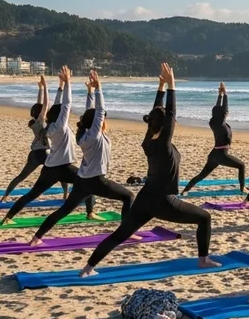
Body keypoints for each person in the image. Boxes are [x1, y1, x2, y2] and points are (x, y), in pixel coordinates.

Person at [80, 63, 217, 277]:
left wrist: (160, 88)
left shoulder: (149, 140)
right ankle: (204, 259)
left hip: (145, 199)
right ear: (165, 126)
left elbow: (159, 115)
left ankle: (88, 268)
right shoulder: (162, 143)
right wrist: (171, 85)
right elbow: (170, 113)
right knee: (205, 218)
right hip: (164, 201)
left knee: (120, 234)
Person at [29, 71, 133, 245]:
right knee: (129, 196)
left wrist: (90, 93)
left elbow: (91, 114)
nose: (103, 119)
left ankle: (37, 237)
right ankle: (125, 233)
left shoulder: (86, 134)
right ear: (96, 123)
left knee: (64, 210)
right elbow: (99, 112)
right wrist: (98, 88)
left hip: (82, 181)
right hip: (96, 181)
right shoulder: (94, 136)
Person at [1, 66, 84, 223]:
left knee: (31, 191)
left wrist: (60, 85)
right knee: (85, 182)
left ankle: (8, 215)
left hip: (44, 161)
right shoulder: (56, 125)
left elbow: (54, 106)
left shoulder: (46, 125)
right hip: (51, 159)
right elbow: (60, 105)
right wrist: (62, 84)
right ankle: (84, 209)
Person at [1, 74, 61, 201]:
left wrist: (40, 89)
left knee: (21, 176)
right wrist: (45, 87)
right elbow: (45, 103)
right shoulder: (41, 120)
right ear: (41, 113)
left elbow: (40, 104)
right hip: (45, 153)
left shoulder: (34, 122)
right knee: (60, 172)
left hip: (34, 154)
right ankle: (66, 195)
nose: (46, 110)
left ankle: (5, 196)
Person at [181, 82, 247, 194]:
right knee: (241, 165)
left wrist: (220, 95)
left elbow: (219, 109)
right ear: (223, 114)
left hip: (214, 154)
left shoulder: (214, 122)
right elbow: (224, 109)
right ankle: (242, 188)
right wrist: (225, 94)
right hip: (221, 155)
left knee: (202, 175)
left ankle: (185, 190)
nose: (227, 113)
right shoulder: (221, 123)